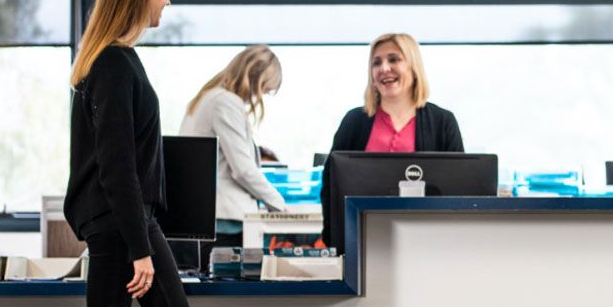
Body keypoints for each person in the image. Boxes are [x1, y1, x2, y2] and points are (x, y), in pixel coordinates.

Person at [64, 0, 202, 307]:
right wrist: (139, 246)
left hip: (122, 222)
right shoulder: (114, 64)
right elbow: (116, 164)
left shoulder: (111, 60)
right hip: (122, 224)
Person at [319, 32, 464, 250]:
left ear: (413, 67)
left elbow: (461, 188)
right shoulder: (354, 121)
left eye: (394, 59)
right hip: (364, 241)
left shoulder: (443, 122)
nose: (384, 68)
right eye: (376, 63)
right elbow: (331, 185)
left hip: (428, 243)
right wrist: (336, 241)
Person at [179, 44, 289, 257]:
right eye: (264, 90)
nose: (259, 98)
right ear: (254, 79)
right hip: (225, 223)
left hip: (207, 218)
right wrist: (278, 204)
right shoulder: (225, 102)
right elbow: (242, 168)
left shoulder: (207, 97)